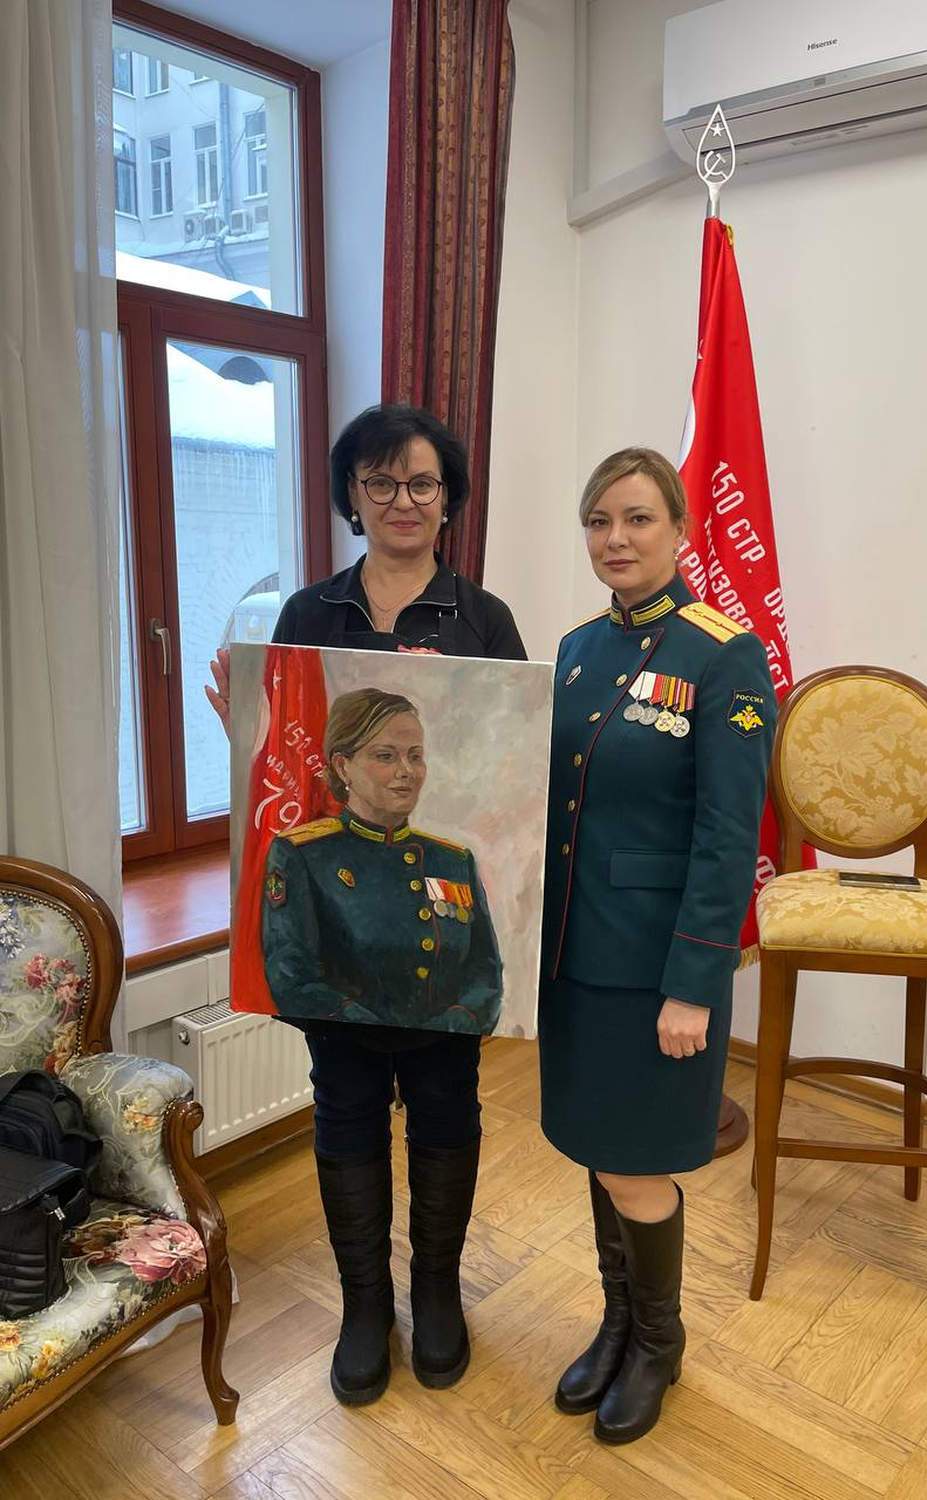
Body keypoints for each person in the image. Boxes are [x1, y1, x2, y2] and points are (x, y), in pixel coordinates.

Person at [206, 404, 526, 1407]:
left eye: (421, 483)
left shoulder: (484, 618)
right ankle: (363, 1304)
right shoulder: (309, 612)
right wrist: (245, 722)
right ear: (352, 494)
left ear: (448, 499)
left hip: (438, 966)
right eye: (380, 482)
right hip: (339, 954)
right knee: (345, 1114)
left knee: (446, 1114)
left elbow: (517, 757)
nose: (401, 500)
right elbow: (286, 764)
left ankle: (436, 1291)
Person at [538, 447, 777, 1445]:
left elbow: (729, 834)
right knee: (602, 1151)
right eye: (599, 520)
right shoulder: (576, 648)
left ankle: (660, 1344)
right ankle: (618, 1325)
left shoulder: (724, 655)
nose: (616, 539)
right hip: (574, 956)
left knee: (637, 1164)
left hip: (655, 964)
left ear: (679, 530)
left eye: (637, 518)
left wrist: (696, 983)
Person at [262, 687, 503, 1036]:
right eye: (386, 756)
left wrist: (458, 1021)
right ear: (343, 766)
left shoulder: (453, 860)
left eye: (415, 756)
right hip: (351, 1046)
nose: (406, 771)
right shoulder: (303, 855)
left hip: (447, 1047)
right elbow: (291, 976)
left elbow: (485, 971)